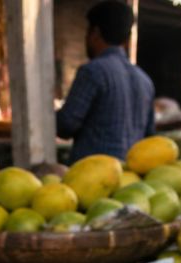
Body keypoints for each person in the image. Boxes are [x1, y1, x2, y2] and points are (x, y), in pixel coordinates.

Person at [55, 1, 155, 162]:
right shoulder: (145, 81)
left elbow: (66, 125)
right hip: (131, 179)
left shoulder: (92, 72)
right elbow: (150, 136)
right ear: (127, 38)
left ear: (95, 33)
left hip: (92, 178)